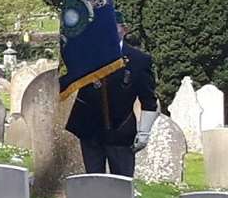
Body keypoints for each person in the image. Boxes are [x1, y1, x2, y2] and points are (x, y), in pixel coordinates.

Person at [66, 20, 163, 176]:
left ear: (124, 29)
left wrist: (144, 133)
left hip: (121, 131)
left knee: (122, 183)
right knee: (93, 182)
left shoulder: (138, 60)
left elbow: (148, 100)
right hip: (90, 129)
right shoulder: (85, 55)